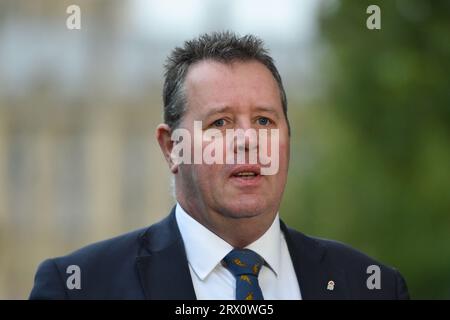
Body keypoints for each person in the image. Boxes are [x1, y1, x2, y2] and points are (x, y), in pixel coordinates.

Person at [29, 32, 409, 300]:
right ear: (171, 147)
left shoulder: (370, 286)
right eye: (220, 123)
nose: (247, 140)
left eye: (264, 121)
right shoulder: (78, 288)